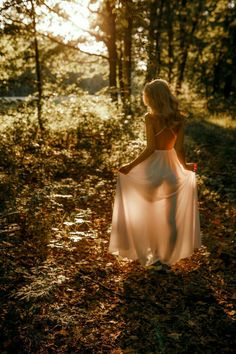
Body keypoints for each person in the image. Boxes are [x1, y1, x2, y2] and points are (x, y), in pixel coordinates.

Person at [109, 78, 201, 266]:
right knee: (171, 219)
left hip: (152, 170)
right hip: (172, 169)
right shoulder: (180, 118)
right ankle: (168, 260)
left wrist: (130, 166)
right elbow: (179, 148)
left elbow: (150, 148)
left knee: (148, 213)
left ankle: (154, 257)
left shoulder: (149, 118)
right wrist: (185, 166)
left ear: (151, 98)